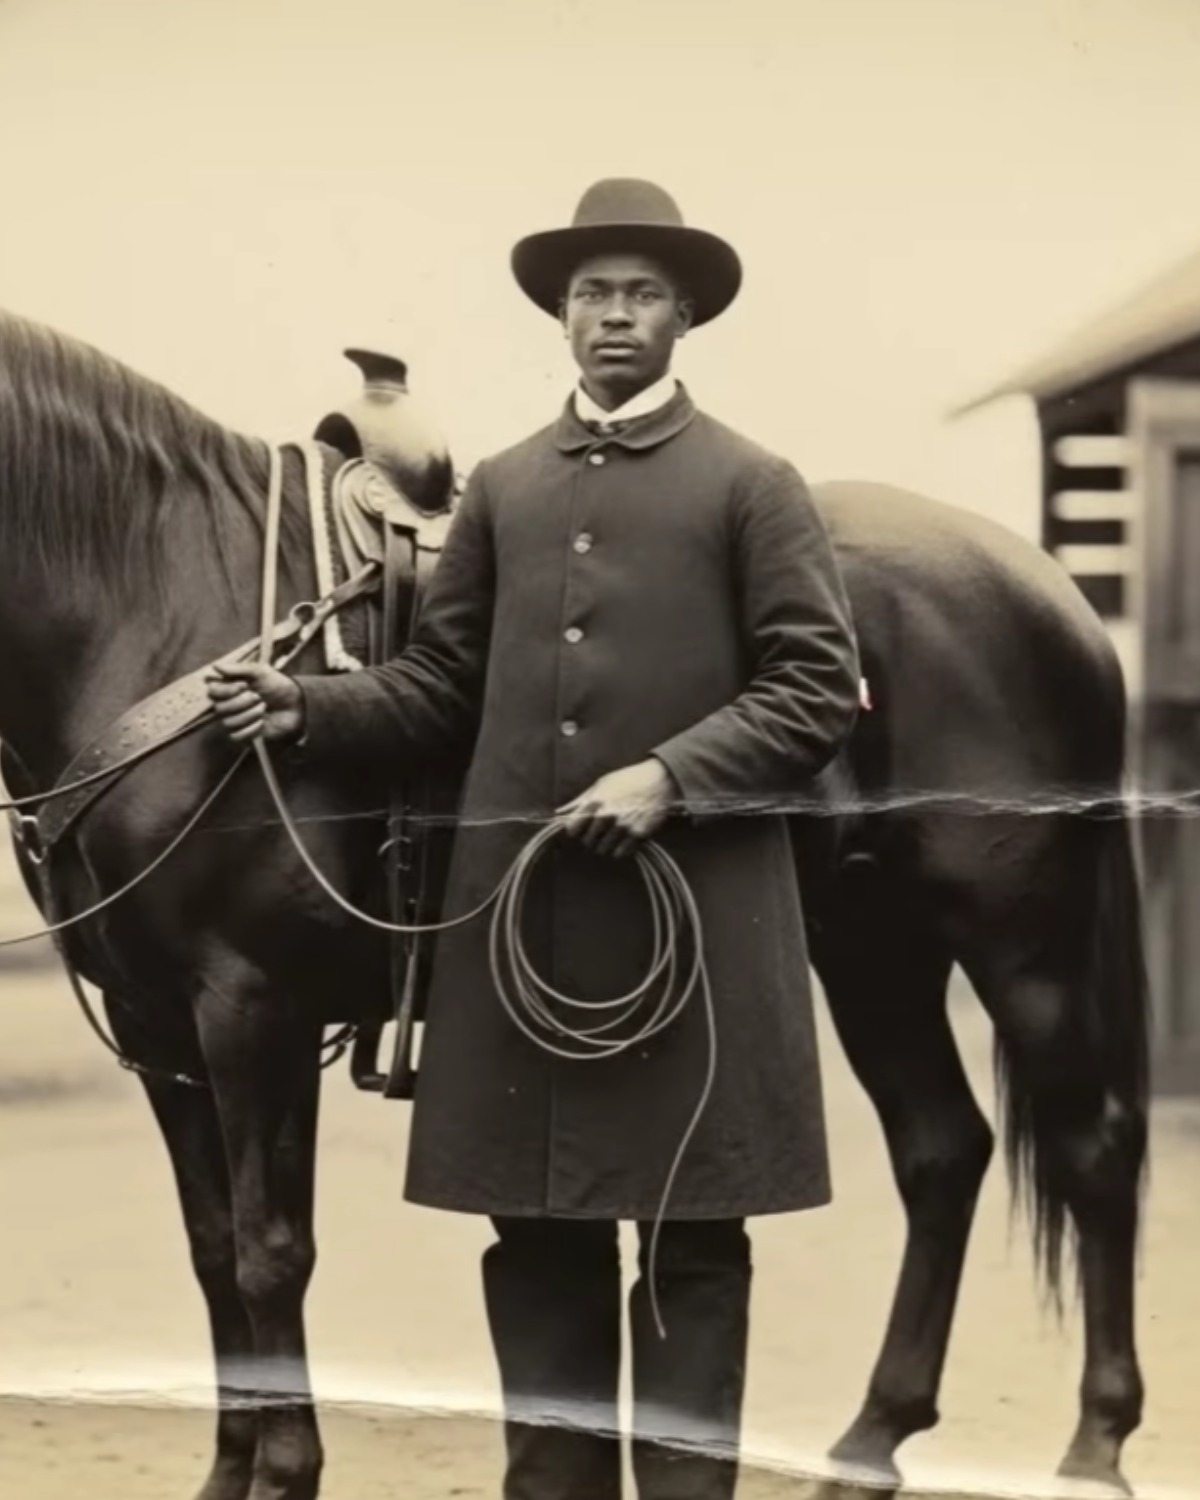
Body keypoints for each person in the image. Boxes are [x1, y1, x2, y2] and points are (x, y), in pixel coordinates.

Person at [207, 177, 862, 1500]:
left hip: (697, 931)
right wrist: (307, 707)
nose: (613, 314)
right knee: (539, 1244)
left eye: (640, 294)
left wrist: (670, 777)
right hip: (530, 936)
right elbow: (441, 691)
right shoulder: (505, 488)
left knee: (690, 1247)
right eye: (590, 294)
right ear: (562, 318)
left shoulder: (753, 485)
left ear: (684, 317)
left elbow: (814, 690)